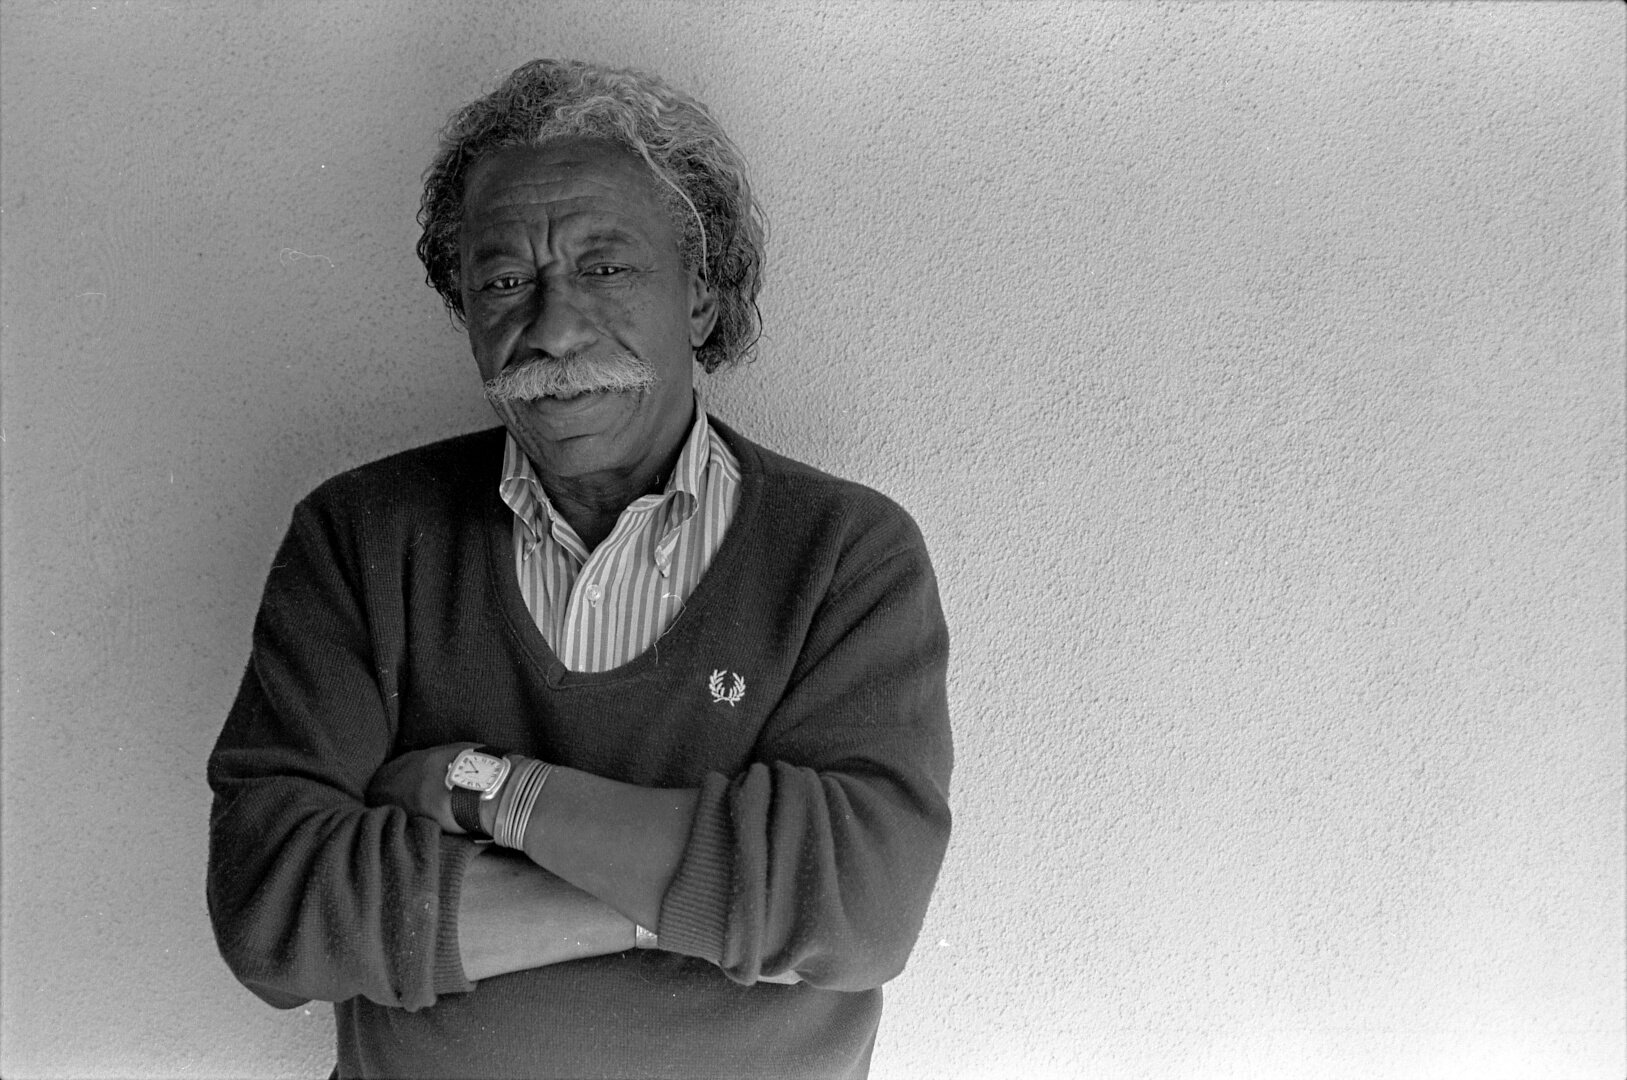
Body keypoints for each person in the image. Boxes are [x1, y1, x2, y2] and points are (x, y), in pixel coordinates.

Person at [205, 58, 952, 1080]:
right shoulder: (361, 538)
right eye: (504, 281)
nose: (550, 330)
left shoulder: (840, 556)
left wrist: (484, 790)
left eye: (604, 268)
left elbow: (861, 909)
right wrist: (702, 902)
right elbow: (279, 916)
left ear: (700, 295)